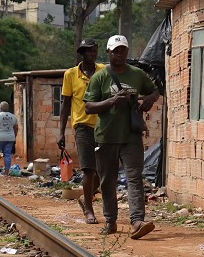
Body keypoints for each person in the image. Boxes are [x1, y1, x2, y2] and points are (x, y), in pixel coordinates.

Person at [84, 34, 160, 238]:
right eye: (116, 51)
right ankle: (110, 221)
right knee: (108, 180)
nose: (120, 54)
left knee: (135, 178)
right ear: (108, 53)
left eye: (123, 50)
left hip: (131, 136)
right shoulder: (99, 77)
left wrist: (150, 101)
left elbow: (155, 91)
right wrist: (111, 101)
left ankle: (137, 221)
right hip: (106, 137)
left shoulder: (136, 74)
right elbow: (88, 107)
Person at [58, 37, 104, 225]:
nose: (92, 54)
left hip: (103, 126)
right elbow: (65, 104)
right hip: (82, 126)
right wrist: (61, 132)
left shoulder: (103, 71)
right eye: (88, 51)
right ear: (82, 54)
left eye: (94, 51)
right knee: (89, 170)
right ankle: (89, 211)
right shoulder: (70, 75)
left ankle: (85, 199)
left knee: (103, 172)